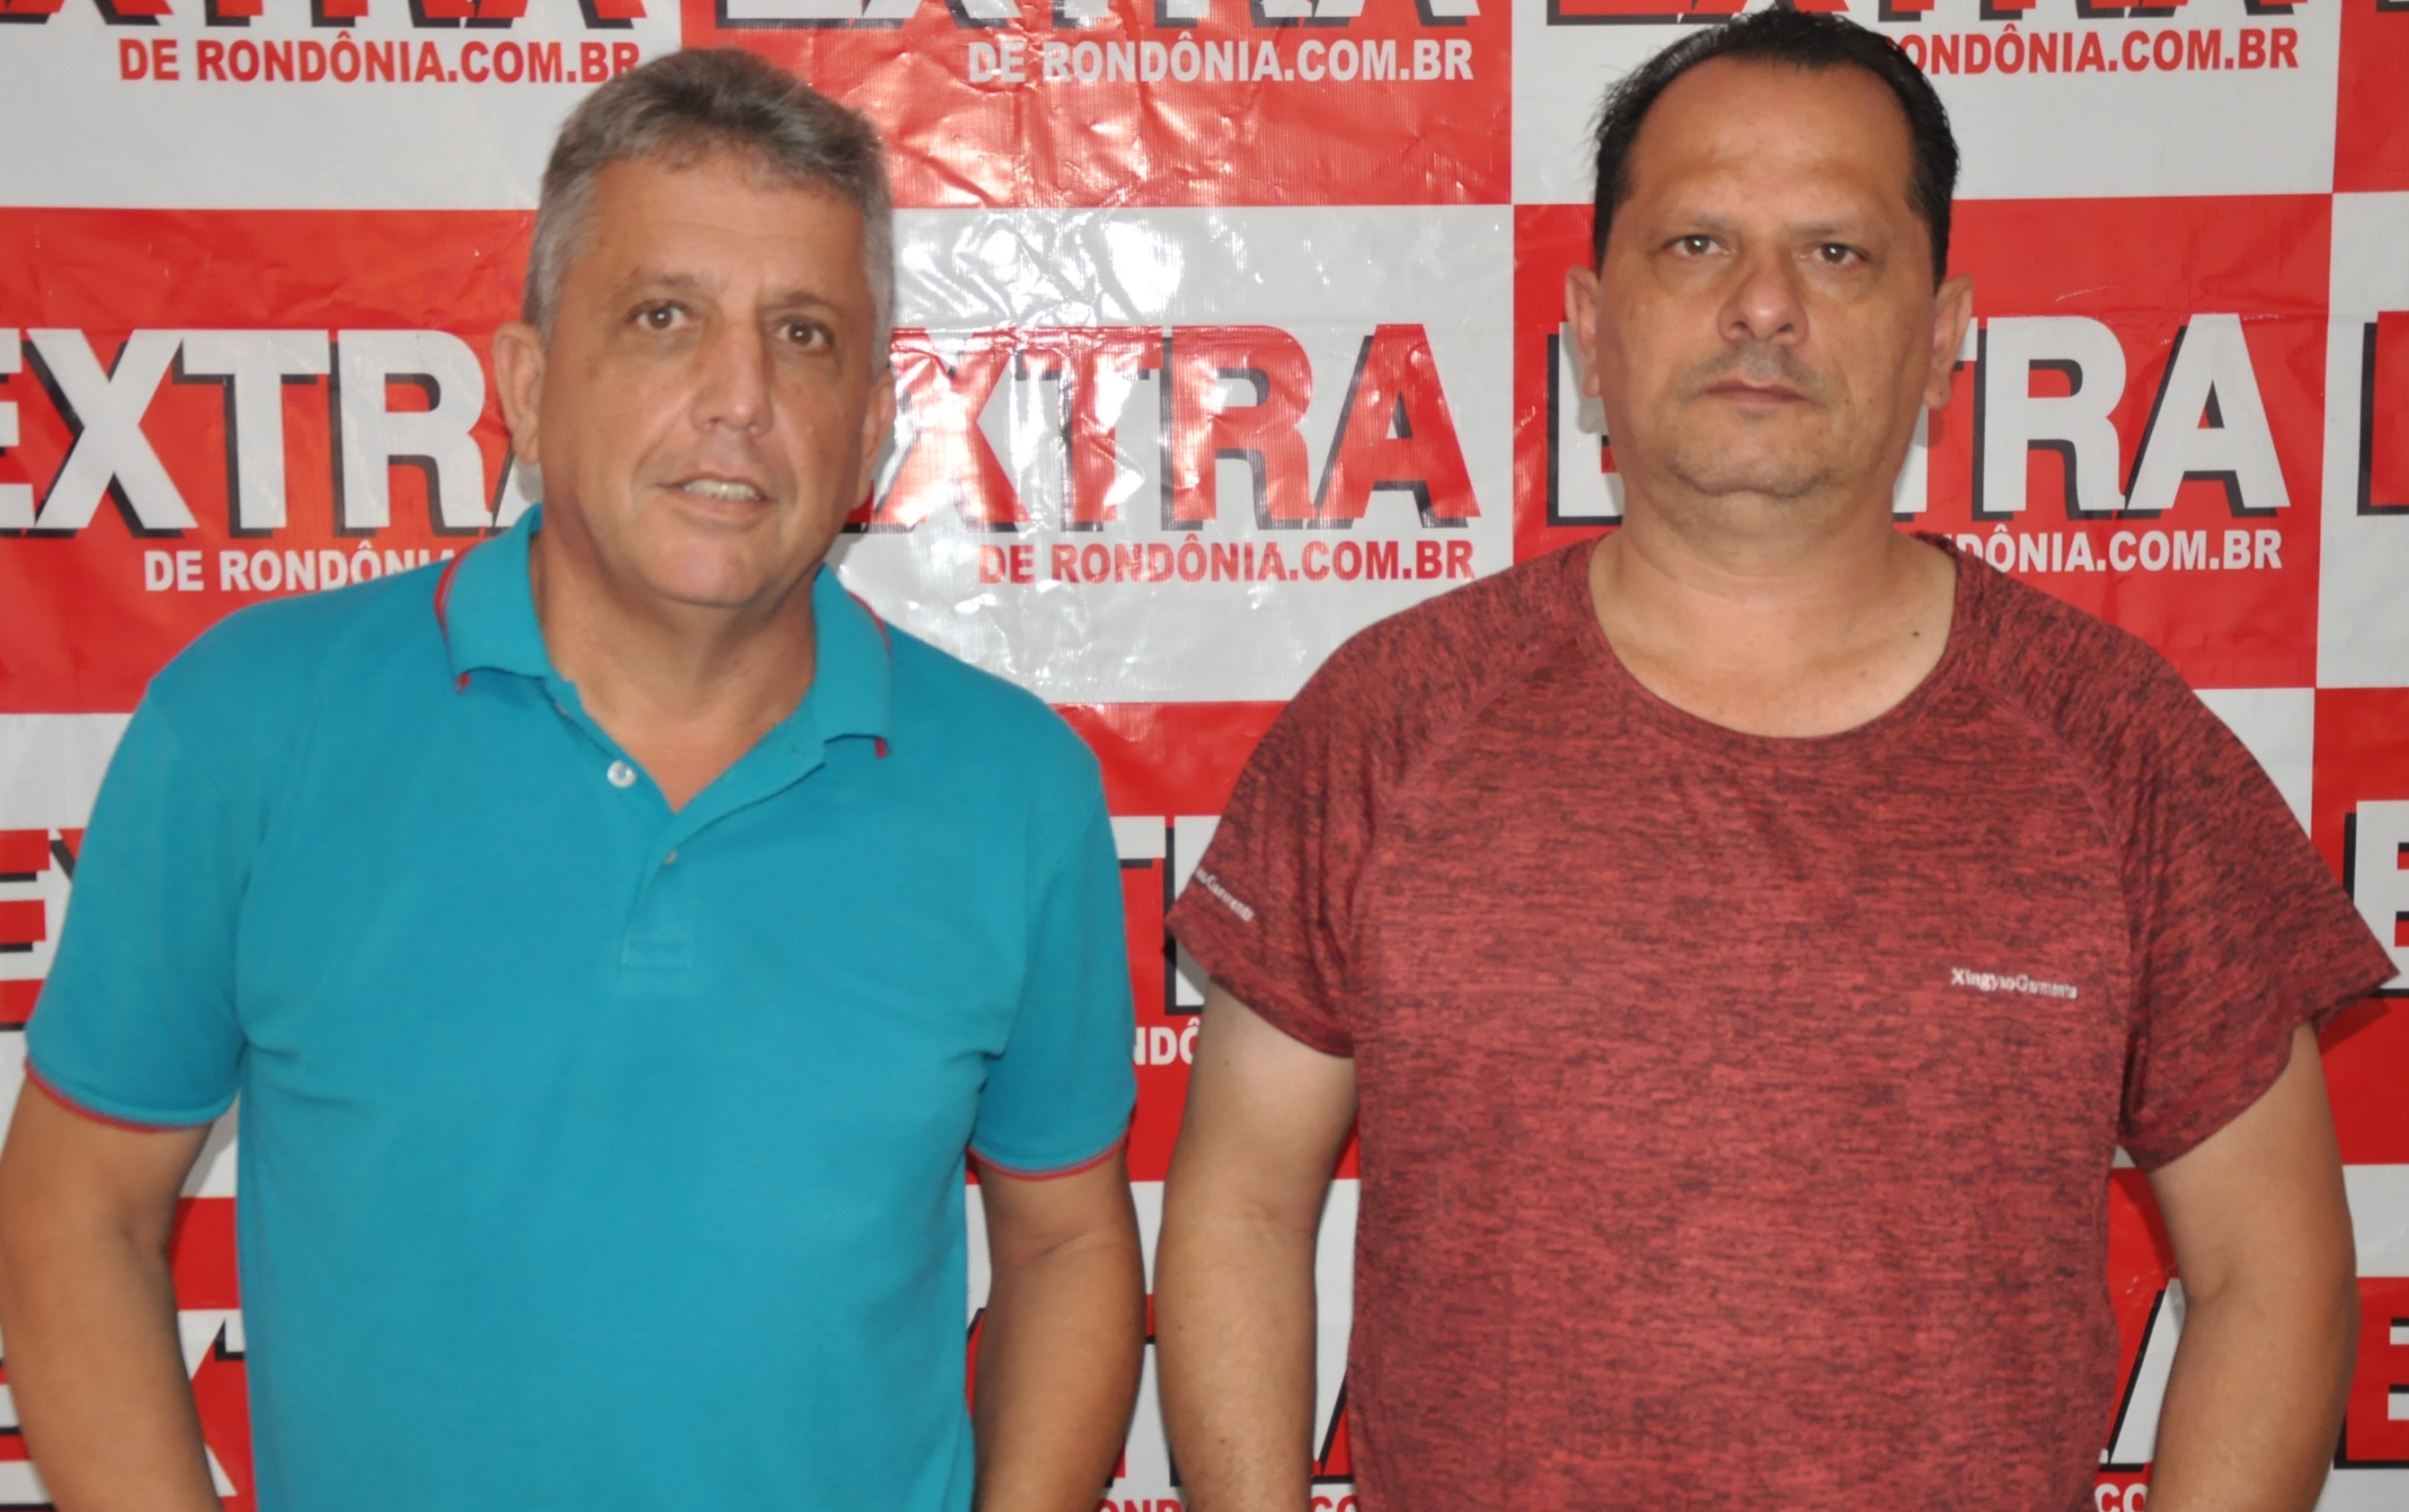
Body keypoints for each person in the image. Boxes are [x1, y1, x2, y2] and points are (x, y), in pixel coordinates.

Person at [1153, 14, 2392, 1512]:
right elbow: (1239, 1207)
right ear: (1589, 325)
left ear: (1944, 335)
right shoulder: (1390, 723)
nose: (1761, 306)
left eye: (1836, 252)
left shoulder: (2119, 748)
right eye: (1693, 245)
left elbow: (2271, 1275)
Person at [0, 49, 1142, 1512]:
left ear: (869, 430)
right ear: (528, 389)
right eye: (664, 317)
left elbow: (1065, 1241)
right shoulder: (254, 723)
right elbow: (77, 1208)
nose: (739, 397)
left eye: (802, 334)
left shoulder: (1013, 786)